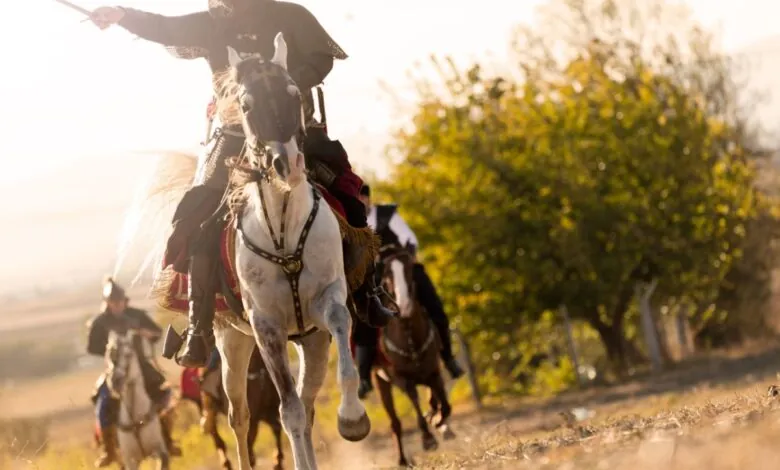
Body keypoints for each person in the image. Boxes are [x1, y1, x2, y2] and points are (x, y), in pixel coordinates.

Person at [88, 0, 395, 368]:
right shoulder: (213, 24)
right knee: (194, 220)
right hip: (235, 136)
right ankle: (200, 327)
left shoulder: (291, 15)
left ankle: (367, 291)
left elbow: (321, 58)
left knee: (351, 196)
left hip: (296, 129)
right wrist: (122, 16)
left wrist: (283, 84)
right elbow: (165, 28)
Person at [354, 184, 464, 398]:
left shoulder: (387, 214)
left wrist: (408, 257)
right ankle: (365, 376)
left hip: (403, 265)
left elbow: (409, 238)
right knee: (363, 318)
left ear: (368, 198)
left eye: (362, 197)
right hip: (376, 274)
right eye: (355, 197)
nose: (359, 201)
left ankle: (448, 359)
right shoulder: (353, 223)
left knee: (436, 307)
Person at [86, 277, 181, 467]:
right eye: (113, 303)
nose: (117, 305)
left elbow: (156, 333)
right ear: (107, 303)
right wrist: (110, 349)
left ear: (125, 301)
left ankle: (167, 440)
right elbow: (92, 348)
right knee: (103, 401)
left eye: (120, 302)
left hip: (142, 367)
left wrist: (142, 332)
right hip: (115, 369)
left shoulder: (136, 316)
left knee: (165, 394)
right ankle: (109, 450)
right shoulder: (100, 322)